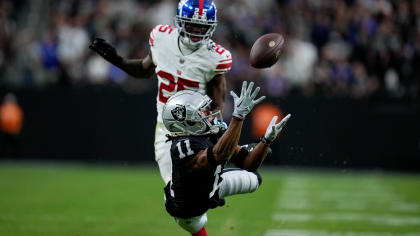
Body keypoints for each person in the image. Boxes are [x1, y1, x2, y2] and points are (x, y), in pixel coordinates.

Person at [89, 0, 231, 184]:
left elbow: (217, 104)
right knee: (181, 195)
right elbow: (144, 69)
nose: (196, 32)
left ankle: (238, 181)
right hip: (166, 129)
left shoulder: (216, 57)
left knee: (184, 197)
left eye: (201, 27)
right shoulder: (162, 38)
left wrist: (209, 126)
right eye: (192, 25)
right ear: (180, 21)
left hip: (195, 130)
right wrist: (118, 60)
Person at [162, 81, 291, 236]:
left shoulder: (210, 131)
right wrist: (238, 117)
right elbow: (217, 155)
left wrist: (266, 141)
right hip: (187, 207)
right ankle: (244, 148)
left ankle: (245, 148)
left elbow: (248, 164)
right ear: (188, 122)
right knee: (196, 225)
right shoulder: (183, 146)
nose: (209, 113)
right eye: (203, 111)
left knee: (254, 178)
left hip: (209, 187)